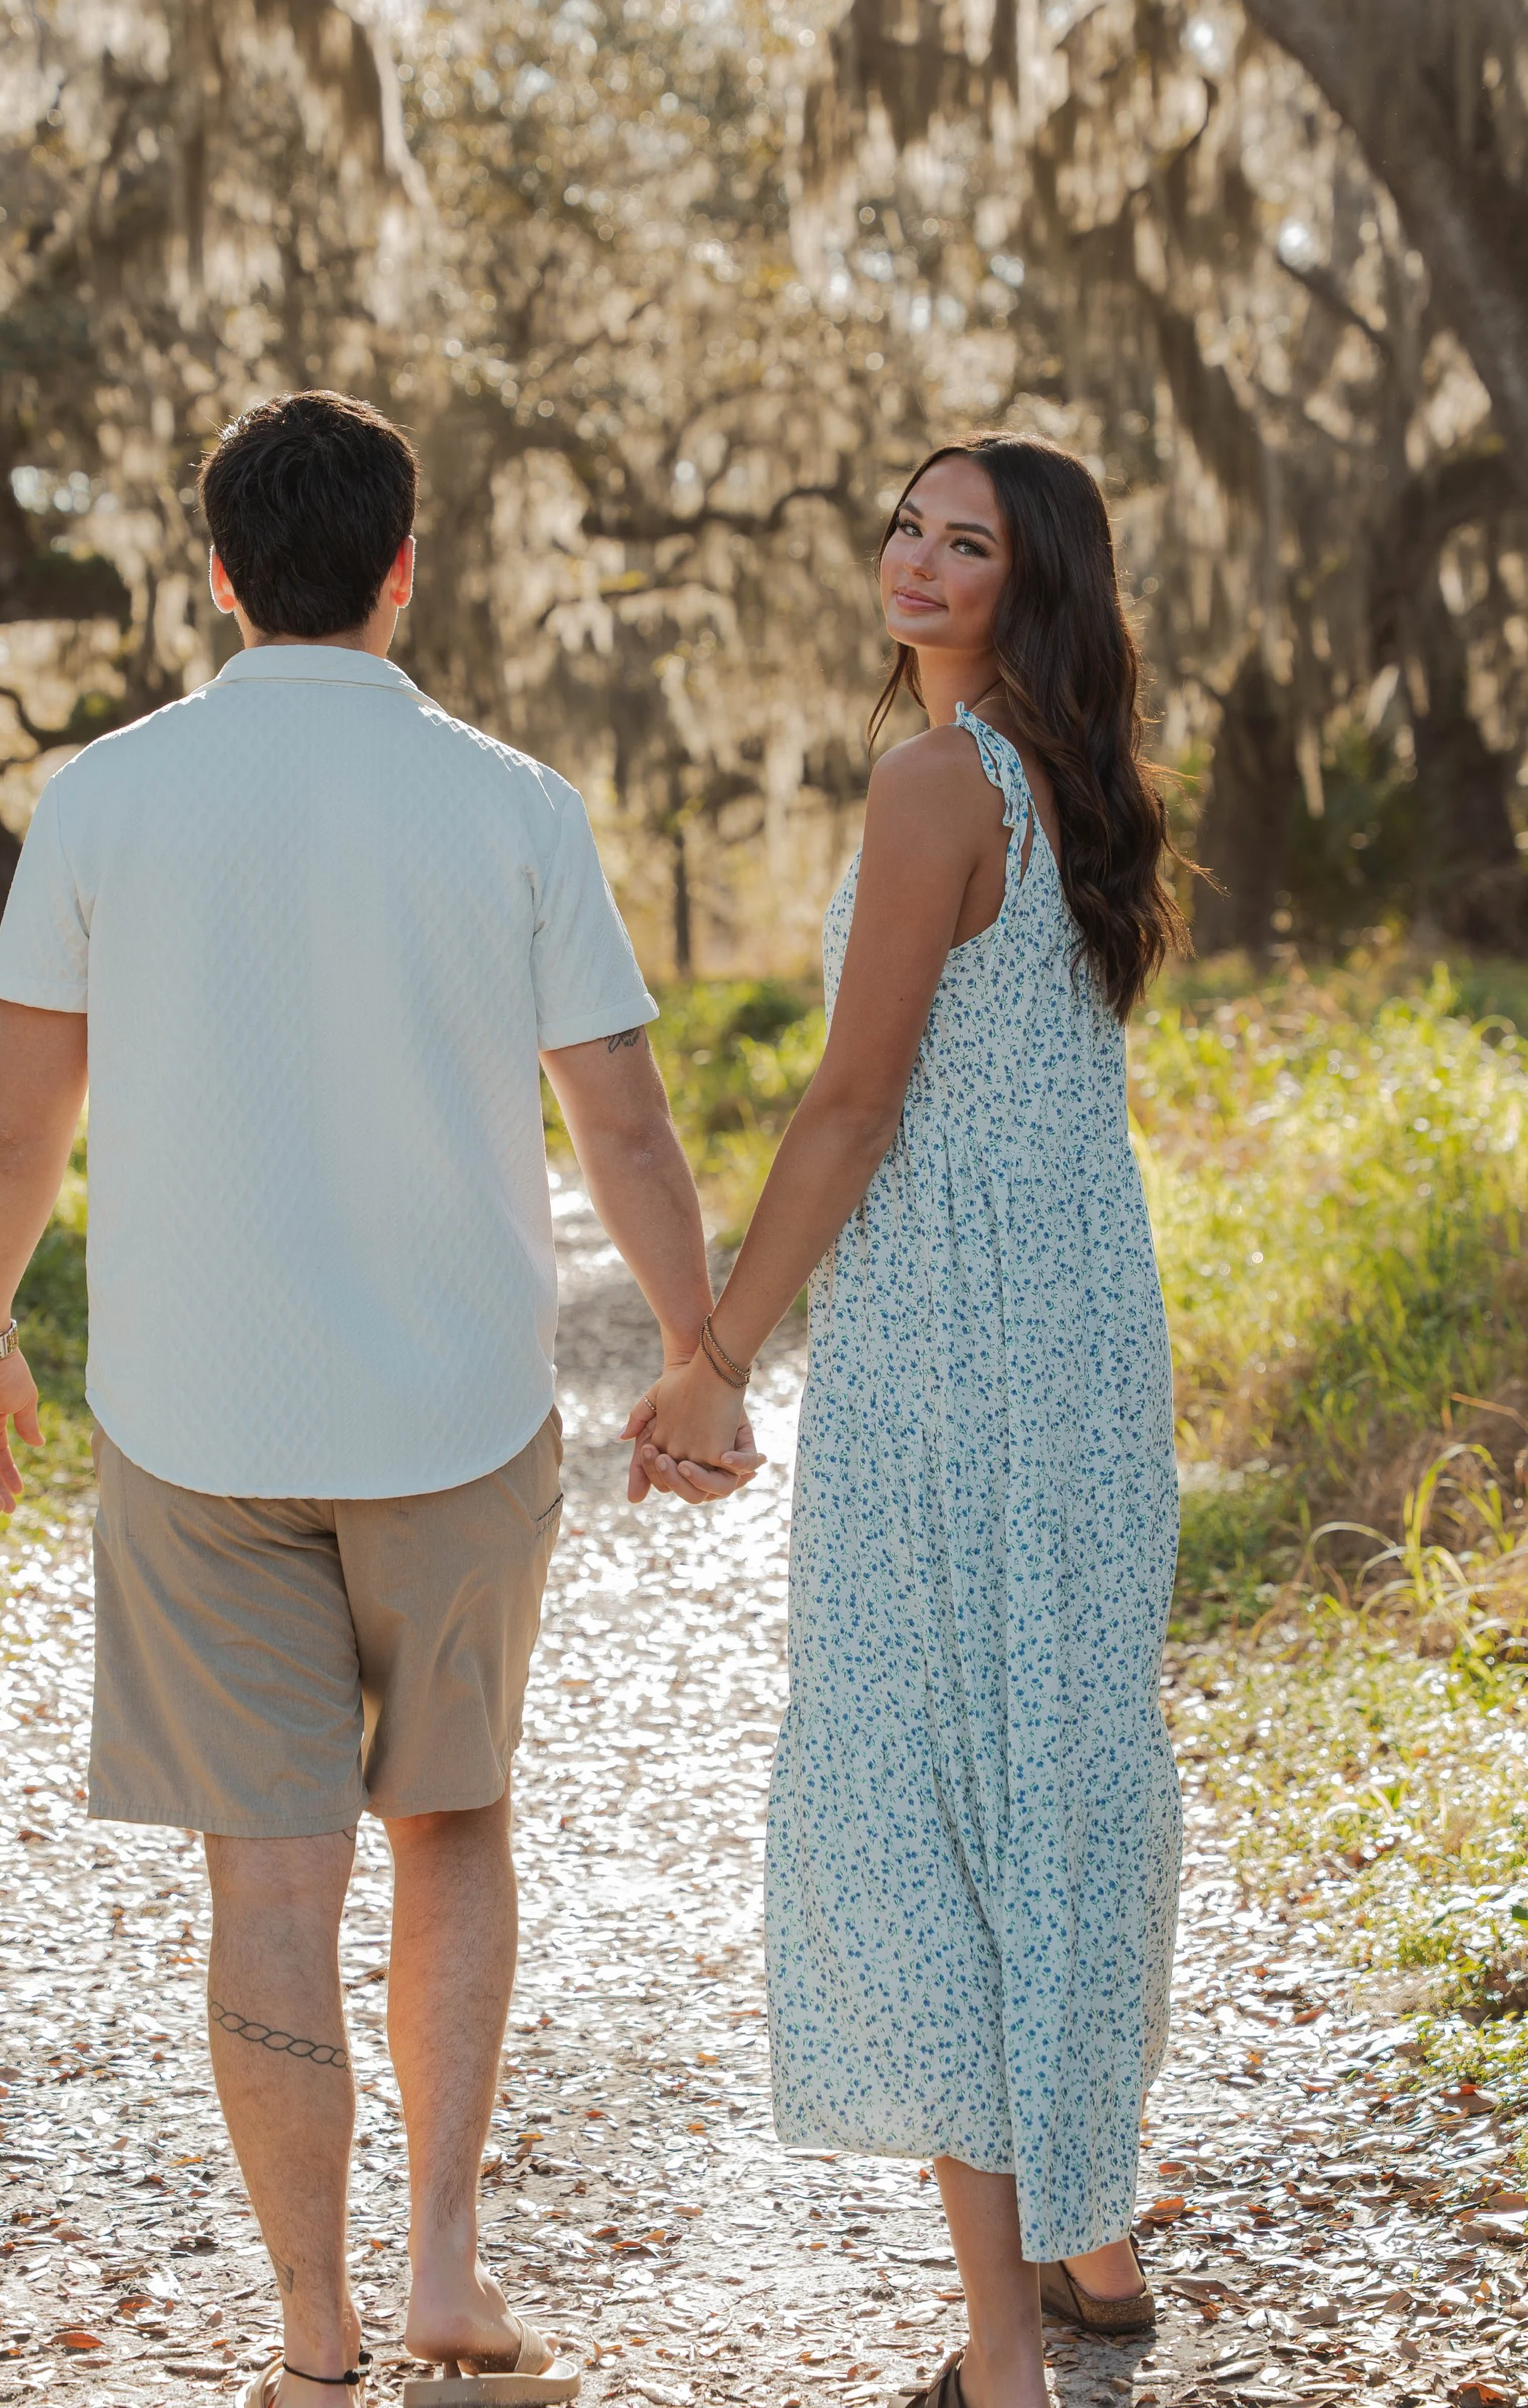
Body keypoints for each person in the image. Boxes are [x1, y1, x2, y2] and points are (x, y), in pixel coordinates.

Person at [0, 389, 752, 2408]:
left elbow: (23, 1112)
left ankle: (309, 2331)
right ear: (406, 566)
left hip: (193, 1418)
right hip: (456, 1412)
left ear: (215, 573)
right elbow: (626, 1123)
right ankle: (445, 2267)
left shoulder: (105, 797)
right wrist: (698, 1350)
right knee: (451, 1824)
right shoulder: (510, 804)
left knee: (270, 1871)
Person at [629, 434, 1187, 2408]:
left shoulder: (936, 782)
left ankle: (998, 2360)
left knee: (937, 1784)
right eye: (906, 526)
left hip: (953, 1341)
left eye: (969, 544)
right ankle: (1094, 2241)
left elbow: (853, 1103)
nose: (918, 561)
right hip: (1092, 1334)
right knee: (1067, 1756)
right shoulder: (1085, 787)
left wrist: (711, 1353)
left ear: (1031, 584)